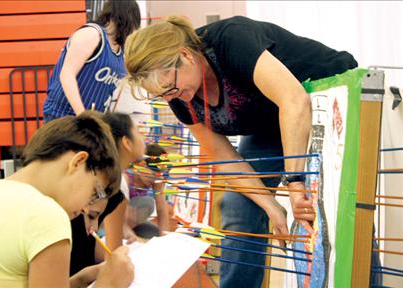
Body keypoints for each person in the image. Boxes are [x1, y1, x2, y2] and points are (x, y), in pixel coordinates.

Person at [123, 16, 359, 287]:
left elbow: (294, 101)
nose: (170, 98)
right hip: (270, 123)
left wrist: (295, 183)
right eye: (161, 95)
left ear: (185, 55)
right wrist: (271, 207)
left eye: (170, 88)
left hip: (323, 95)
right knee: (239, 206)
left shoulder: (231, 40)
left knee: (337, 206)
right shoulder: (180, 97)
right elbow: (224, 157)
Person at [0, 113, 134, 288]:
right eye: (95, 192)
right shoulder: (48, 215)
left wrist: (79, 280)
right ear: (78, 162)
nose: (84, 208)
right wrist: (110, 284)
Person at [70, 112, 146, 274]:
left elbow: (109, 251)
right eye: (138, 131)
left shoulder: (113, 188)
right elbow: (113, 255)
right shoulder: (113, 190)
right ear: (127, 142)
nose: (143, 136)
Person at [42, 0, 141, 120]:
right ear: (126, 18)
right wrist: (82, 115)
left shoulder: (120, 51)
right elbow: (67, 75)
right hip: (62, 116)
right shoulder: (92, 34)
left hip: (93, 121)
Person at [126, 143, 170, 238]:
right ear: (142, 165)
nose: (155, 180)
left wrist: (164, 237)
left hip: (134, 223)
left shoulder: (156, 182)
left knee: (156, 233)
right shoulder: (126, 177)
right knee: (147, 202)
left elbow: (162, 209)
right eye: (153, 175)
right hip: (117, 221)